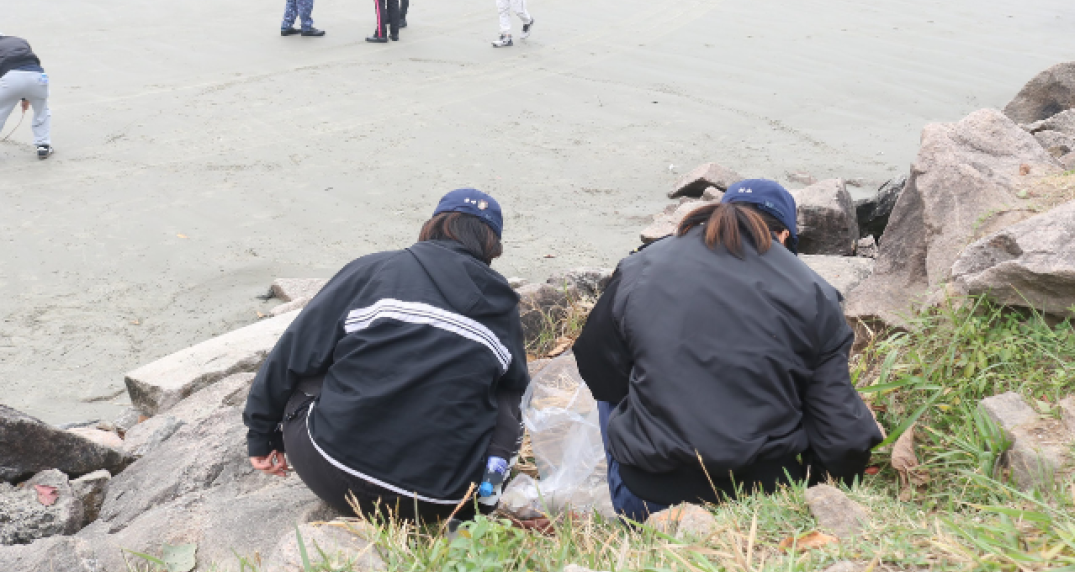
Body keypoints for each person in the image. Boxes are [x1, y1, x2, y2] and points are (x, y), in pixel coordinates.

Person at [573, 179, 882, 522]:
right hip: (762, 498)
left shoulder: (642, 266)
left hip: (648, 496)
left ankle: (644, 524)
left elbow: (594, 365)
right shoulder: (814, 291)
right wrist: (819, 490)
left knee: (614, 386)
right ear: (782, 237)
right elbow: (843, 435)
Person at [244, 188, 527, 522]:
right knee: (510, 395)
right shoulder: (503, 308)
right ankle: (486, 499)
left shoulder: (376, 268)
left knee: (318, 346)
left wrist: (260, 438)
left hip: (331, 470)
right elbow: (513, 398)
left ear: (431, 227)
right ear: (492, 247)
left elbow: (291, 353)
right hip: (436, 502)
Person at [0, 34, 53, 160]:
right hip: (38, 76)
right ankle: (43, 146)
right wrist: (25, 98)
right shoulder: (19, 40)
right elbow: (31, 62)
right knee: (42, 110)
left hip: (11, 77)